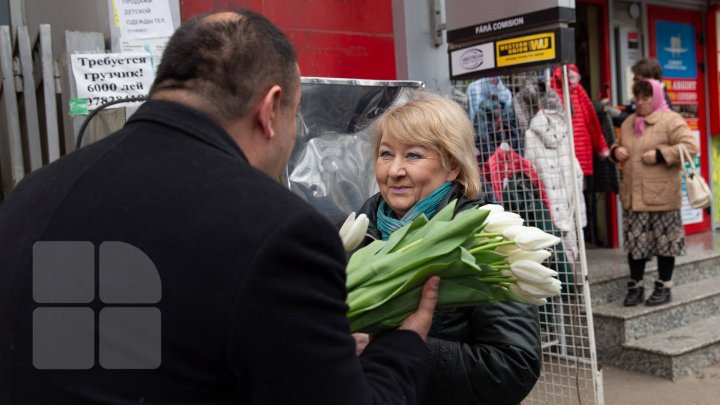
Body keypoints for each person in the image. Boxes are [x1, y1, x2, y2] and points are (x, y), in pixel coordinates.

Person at [0, 10, 441, 404]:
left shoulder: (31, 194)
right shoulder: (280, 230)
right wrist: (403, 346)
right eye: (295, 116)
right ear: (270, 110)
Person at [356, 91, 542, 405]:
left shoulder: (487, 239)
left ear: (452, 166)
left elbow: (514, 365)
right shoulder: (360, 232)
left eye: (413, 155)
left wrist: (406, 347)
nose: (394, 170)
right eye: (386, 154)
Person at [609, 79, 697, 307]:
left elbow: (690, 147)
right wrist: (615, 151)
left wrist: (660, 154)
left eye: (645, 98)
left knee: (665, 244)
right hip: (633, 196)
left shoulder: (671, 120)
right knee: (635, 244)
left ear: (656, 97)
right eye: (637, 98)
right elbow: (618, 144)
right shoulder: (629, 122)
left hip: (662, 197)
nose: (640, 102)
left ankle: (664, 287)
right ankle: (635, 287)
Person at [607, 58, 672, 128]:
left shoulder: (661, 99)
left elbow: (645, 121)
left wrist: (617, 114)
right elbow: (630, 114)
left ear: (651, 78)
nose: (634, 82)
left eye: (637, 79)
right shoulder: (641, 95)